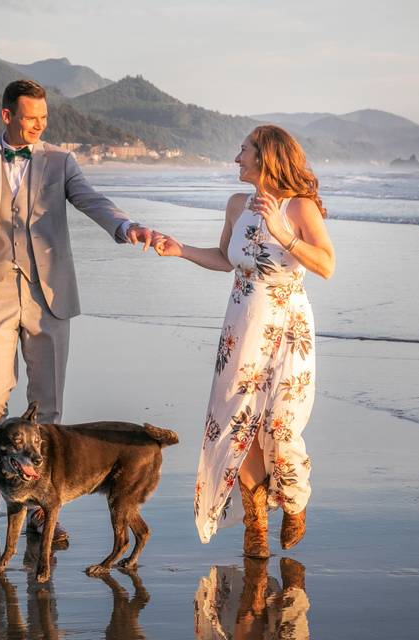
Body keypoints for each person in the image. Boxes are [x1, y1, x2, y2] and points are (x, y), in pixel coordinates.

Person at [0, 79, 154, 540]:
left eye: (44, 119)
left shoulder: (60, 161)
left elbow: (91, 200)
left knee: (49, 403)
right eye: (30, 118)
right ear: (7, 116)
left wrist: (124, 225)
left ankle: (43, 501)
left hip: (49, 295)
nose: (39, 125)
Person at [154, 125, 334, 557]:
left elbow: (326, 264)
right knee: (241, 423)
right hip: (242, 326)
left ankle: (294, 500)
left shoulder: (299, 207)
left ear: (266, 157)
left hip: (289, 329)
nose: (237, 158)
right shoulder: (236, 205)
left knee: (280, 422)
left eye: (243, 151)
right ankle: (256, 523)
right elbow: (224, 258)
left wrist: (282, 230)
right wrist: (180, 250)